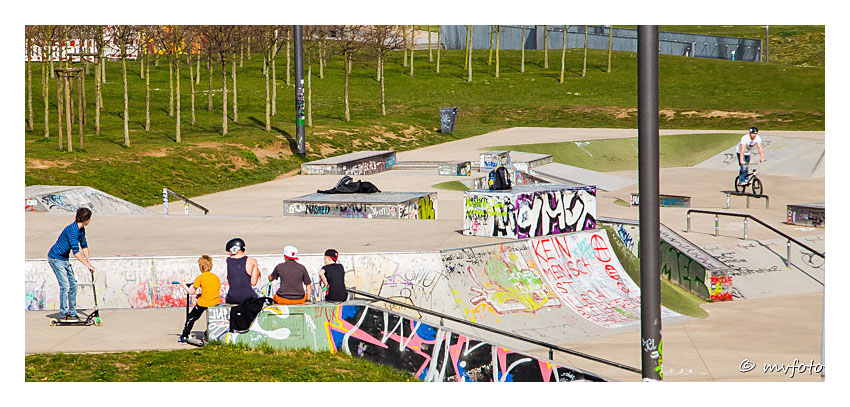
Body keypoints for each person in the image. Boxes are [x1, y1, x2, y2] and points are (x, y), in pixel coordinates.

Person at [47, 207, 96, 323]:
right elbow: (76, 252)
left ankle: (72, 313)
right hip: (55, 258)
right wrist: (86, 265)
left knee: (73, 285)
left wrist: (89, 262)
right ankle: (64, 314)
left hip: (64, 258)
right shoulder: (72, 230)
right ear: (86, 219)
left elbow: (84, 245)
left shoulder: (81, 229)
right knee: (65, 286)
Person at [179, 255, 221, 343]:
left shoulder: (200, 277)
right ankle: (209, 333)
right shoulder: (215, 277)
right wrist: (201, 294)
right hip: (215, 302)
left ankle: (184, 336)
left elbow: (191, 292)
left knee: (191, 317)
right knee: (213, 319)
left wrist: (183, 285)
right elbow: (212, 290)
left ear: (201, 267)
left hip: (204, 303)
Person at [224, 238, 260, 304]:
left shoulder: (228, 260)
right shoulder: (252, 261)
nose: (229, 253)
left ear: (235, 249)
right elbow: (253, 283)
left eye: (229, 251)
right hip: (248, 297)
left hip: (232, 298)